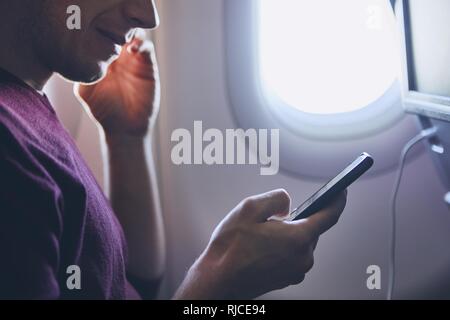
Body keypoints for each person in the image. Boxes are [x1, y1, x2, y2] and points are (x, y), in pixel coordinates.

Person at [0, 0, 347, 300]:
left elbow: (126, 283)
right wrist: (218, 285)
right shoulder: (8, 147)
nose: (147, 16)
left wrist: (126, 138)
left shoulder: (26, 104)